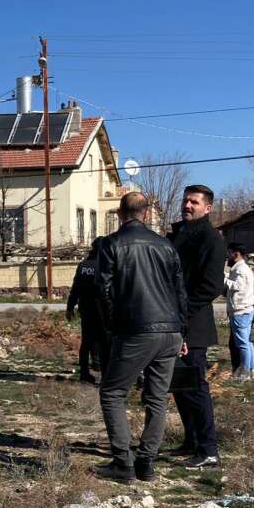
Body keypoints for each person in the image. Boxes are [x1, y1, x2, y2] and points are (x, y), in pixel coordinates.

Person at [92, 192, 187, 484]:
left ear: (120, 214)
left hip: (136, 329)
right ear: (146, 214)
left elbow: (103, 290)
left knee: (112, 393)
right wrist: (182, 330)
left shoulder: (111, 244)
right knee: (157, 398)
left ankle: (124, 463)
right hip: (169, 330)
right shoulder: (165, 245)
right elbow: (179, 291)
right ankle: (146, 462)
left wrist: (112, 326)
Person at [166, 184, 225, 469]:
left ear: (207, 208)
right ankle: (191, 441)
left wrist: (182, 317)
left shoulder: (211, 239)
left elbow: (211, 286)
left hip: (192, 325)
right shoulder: (180, 234)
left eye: (194, 202)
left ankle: (208, 449)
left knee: (195, 388)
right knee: (179, 386)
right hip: (174, 323)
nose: (187, 205)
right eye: (185, 200)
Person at [66, 237, 106, 383]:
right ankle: (103, 371)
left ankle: (84, 372)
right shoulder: (105, 266)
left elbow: (75, 288)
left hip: (86, 309)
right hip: (103, 311)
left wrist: (70, 307)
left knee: (87, 341)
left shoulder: (83, 265)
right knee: (104, 341)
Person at [224, 242, 254, 380]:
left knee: (242, 344)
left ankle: (245, 373)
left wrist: (223, 278)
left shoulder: (241, 270)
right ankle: (252, 370)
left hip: (240, 312)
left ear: (236, 254)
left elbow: (238, 286)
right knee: (247, 343)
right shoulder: (241, 268)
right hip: (245, 310)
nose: (228, 256)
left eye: (229, 253)